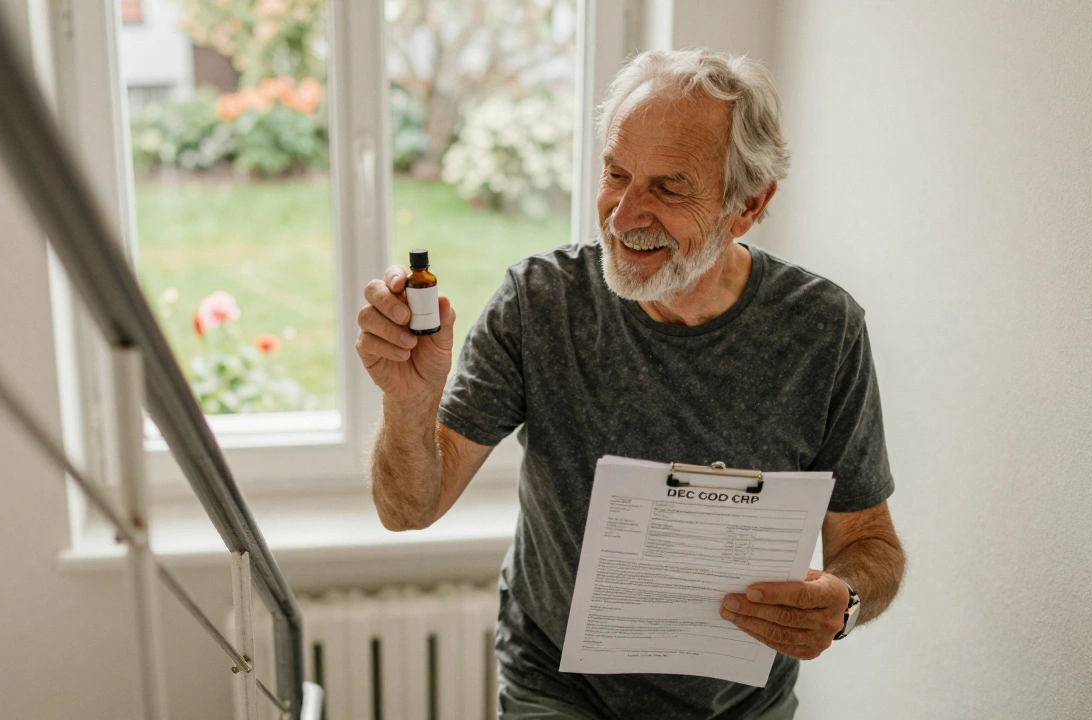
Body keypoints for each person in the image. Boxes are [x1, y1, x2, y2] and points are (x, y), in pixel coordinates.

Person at [356, 48, 906, 720]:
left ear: (749, 205)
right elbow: (408, 508)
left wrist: (843, 602)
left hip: (741, 703)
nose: (622, 217)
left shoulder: (823, 331)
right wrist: (408, 404)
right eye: (616, 174)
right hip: (557, 685)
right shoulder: (540, 302)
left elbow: (870, 543)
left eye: (669, 189)